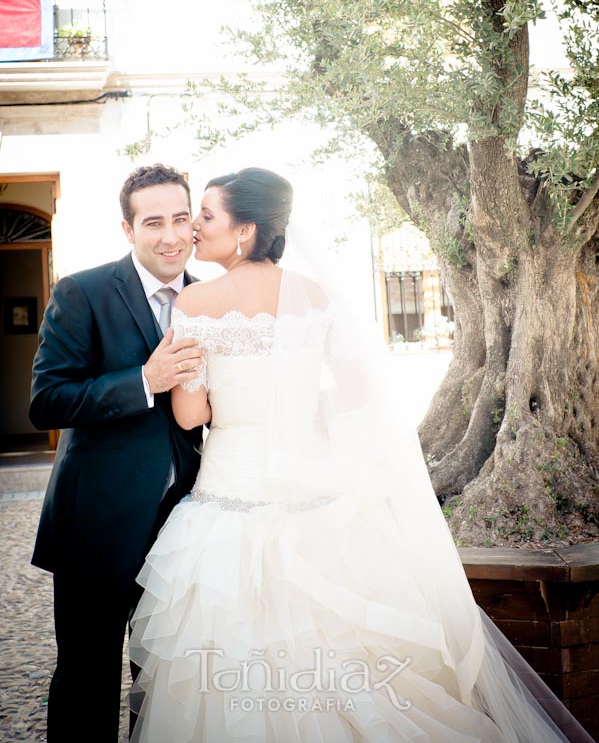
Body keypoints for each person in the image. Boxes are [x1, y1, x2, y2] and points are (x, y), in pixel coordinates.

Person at [129, 167, 593, 743]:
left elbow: (190, 415)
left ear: (244, 230)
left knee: (225, 654)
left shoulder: (196, 300)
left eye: (205, 215)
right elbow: (355, 393)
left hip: (233, 488)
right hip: (311, 489)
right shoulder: (317, 296)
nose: (194, 228)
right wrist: (298, 414)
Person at [30, 164, 205, 743]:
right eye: (153, 222)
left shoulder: (210, 299)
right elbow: (47, 402)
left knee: (166, 681)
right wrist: (143, 380)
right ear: (128, 230)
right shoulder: (82, 292)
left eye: (181, 218)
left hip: (186, 528)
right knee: (86, 677)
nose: (171, 235)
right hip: (95, 525)